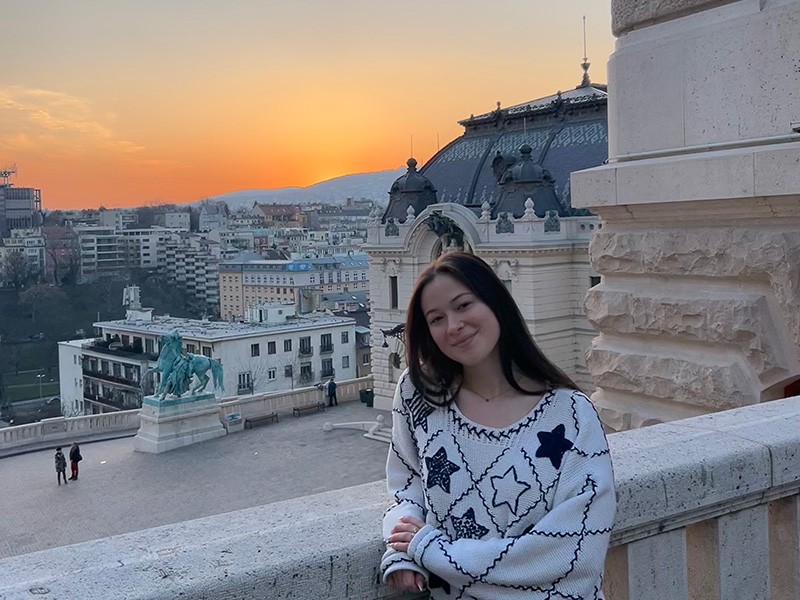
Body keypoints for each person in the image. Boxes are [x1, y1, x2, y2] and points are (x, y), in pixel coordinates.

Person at [380, 252, 616, 599]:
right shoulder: (420, 396)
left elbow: (573, 551)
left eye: (463, 305)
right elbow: (405, 487)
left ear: (496, 301)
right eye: (436, 319)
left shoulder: (570, 415)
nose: (454, 325)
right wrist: (401, 550)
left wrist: (431, 551)